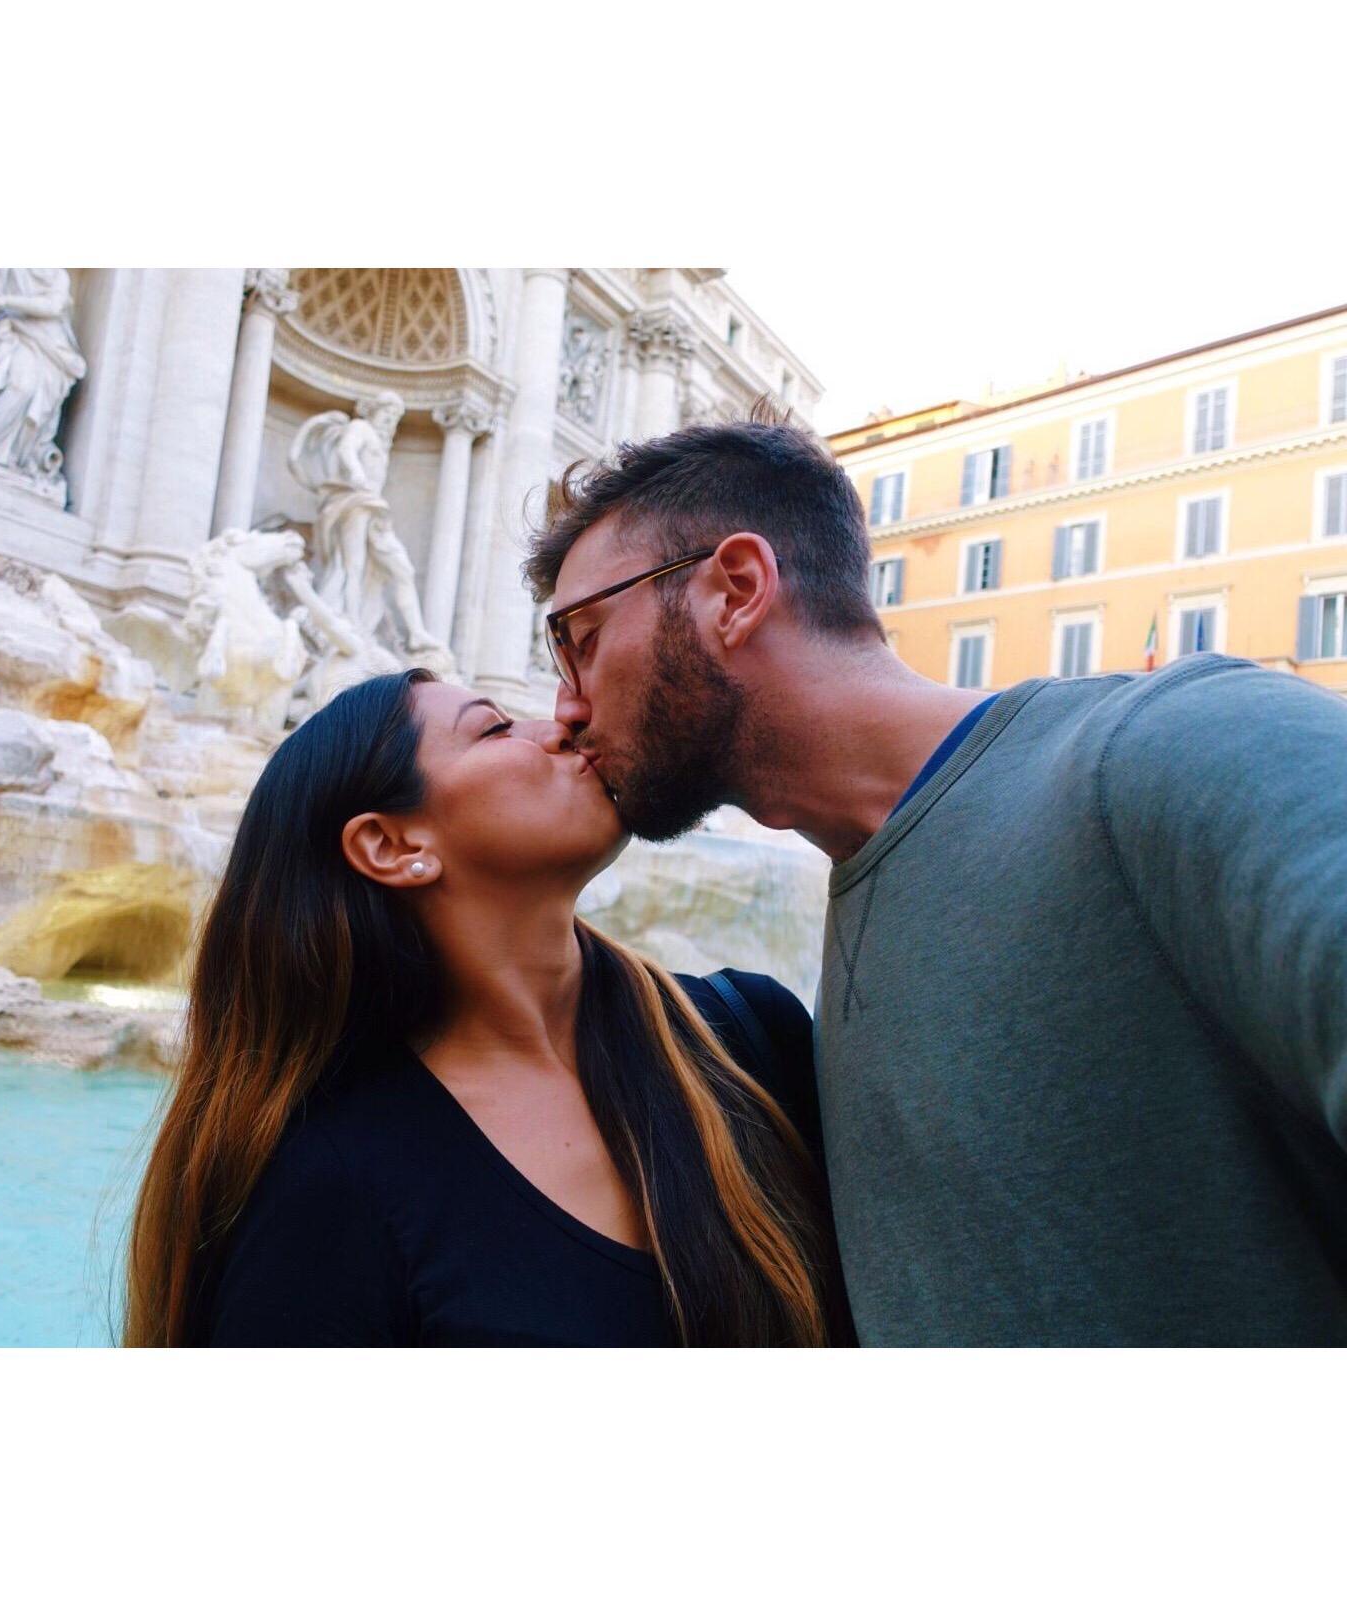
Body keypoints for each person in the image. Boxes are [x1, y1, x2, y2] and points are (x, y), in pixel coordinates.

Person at [527, 408, 1347, 1347]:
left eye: (581, 639)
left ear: (736, 591)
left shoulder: (1171, 749)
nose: (565, 707)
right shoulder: (858, 909)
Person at [123, 669, 851, 1347]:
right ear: (391, 844)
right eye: (495, 728)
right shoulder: (325, 1197)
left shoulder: (752, 1037)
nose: (564, 723)